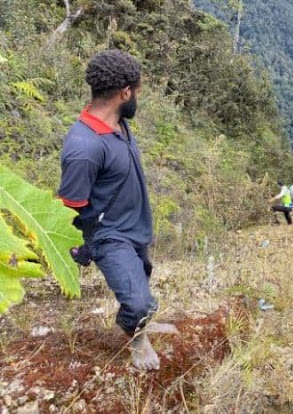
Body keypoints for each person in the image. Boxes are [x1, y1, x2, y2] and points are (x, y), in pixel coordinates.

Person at [58, 49, 172, 371]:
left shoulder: (119, 124)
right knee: (138, 303)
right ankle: (136, 335)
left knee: (142, 285)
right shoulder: (84, 147)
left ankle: (142, 321)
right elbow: (68, 206)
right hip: (110, 237)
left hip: (137, 227)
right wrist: (77, 244)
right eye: (137, 91)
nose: (138, 97)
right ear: (124, 93)